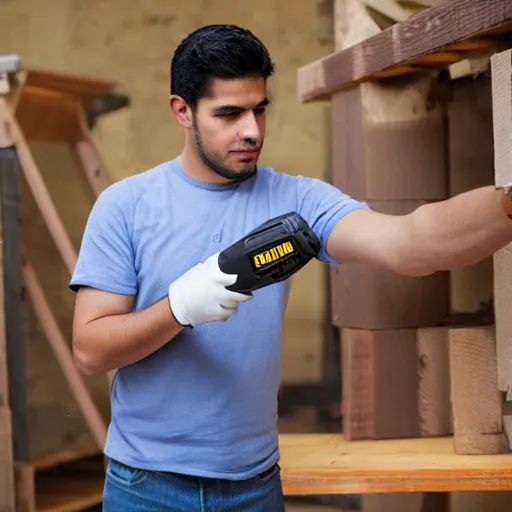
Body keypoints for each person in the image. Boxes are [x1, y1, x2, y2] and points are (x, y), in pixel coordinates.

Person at [69, 24, 512, 512]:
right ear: (182, 111)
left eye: (260, 109)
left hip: (253, 488)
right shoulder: (126, 206)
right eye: (229, 114)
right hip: (146, 488)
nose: (252, 130)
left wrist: (508, 202)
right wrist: (178, 308)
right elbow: (91, 349)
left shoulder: (296, 200)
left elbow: (414, 242)